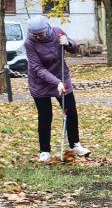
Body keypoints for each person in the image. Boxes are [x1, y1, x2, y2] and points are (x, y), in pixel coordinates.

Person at [24, 15, 90, 163]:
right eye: (36, 35)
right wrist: (56, 83)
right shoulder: (30, 43)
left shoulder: (57, 32)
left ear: (47, 29)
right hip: (39, 82)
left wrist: (68, 43)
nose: (39, 37)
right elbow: (37, 67)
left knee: (71, 111)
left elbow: (74, 49)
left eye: (41, 34)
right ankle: (44, 151)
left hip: (61, 75)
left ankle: (75, 145)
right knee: (45, 115)